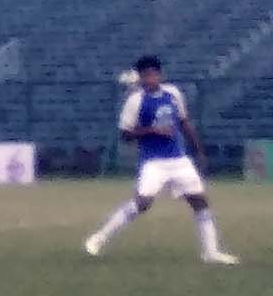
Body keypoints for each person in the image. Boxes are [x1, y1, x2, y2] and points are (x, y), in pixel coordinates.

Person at [85, 55, 238, 264]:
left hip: (178, 159)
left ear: (160, 75)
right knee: (143, 203)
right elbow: (125, 135)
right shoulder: (135, 101)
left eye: (153, 74)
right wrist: (152, 130)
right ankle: (99, 238)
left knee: (200, 201)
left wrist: (199, 150)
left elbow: (184, 122)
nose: (149, 79)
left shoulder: (173, 93)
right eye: (145, 75)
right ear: (140, 78)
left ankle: (211, 252)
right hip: (153, 162)